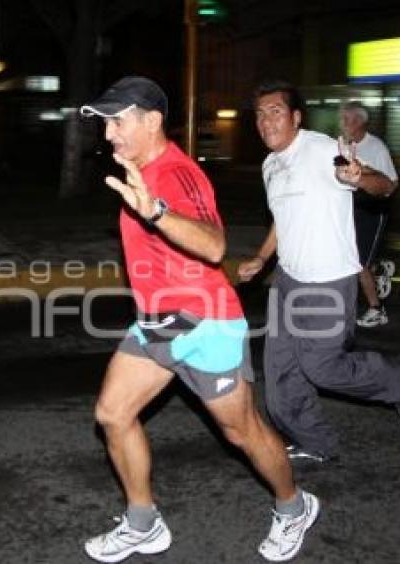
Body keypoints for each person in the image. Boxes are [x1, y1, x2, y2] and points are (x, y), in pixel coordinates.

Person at [80, 76, 318, 563]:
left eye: (117, 122)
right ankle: (143, 523)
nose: (109, 135)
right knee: (112, 413)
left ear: (152, 121)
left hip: (204, 325)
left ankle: (294, 507)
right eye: (105, 125)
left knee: (242, 432)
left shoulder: (177, 174)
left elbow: (214, 245)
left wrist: (157, 211)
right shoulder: (138, 171)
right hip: (155, 323)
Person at [238, 79, 400, 465]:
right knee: (279, 378)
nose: (266, 121)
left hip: (328, 282)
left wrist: (359, 178)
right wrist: (261, 257)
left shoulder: (325, 150)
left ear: (295, 117)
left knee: (322, 368)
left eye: (275, 112)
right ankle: (315, 441)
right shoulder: (271, 164)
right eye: (260, 114)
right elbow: (282, 219)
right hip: (288, 281)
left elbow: (384, 186)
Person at [339, 101, 398, 327]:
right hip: (352, 207)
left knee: (359, 262)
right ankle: (380, 269)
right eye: (342, 119)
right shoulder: (343, 144)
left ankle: (377, 309)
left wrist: (366, 179)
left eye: (347, 119)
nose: (343, 124)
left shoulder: (376, 147)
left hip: (373, 210)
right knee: (354, 255)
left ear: (359, 122)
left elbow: (392, 183)